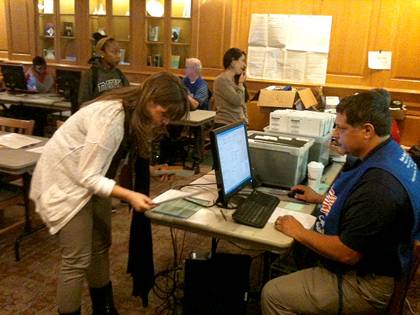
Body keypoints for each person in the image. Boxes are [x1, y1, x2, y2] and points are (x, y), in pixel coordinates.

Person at [29, 72, 190, 315]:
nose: (165, 122)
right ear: (150, 99)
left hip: (88, 178)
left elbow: (113, 157)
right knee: (76, 260)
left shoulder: (134, 112)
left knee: (100, 245)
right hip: (65, 182)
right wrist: (129, 195)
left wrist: (151, 171)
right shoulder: (112, 117)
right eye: (164, 114)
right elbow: (88, 176)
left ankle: (104, 308)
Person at [261, 89, 420, 315]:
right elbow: (361, 208)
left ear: (367, 131)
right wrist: (320, 198)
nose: (335, 134)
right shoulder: (389, 153)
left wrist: (298, 231)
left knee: (273, 294)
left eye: (342, 128)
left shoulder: (380, 186)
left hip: (365, 284)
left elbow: (347, 252)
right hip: (375, 263)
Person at [78, 36, 129, 105]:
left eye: (119, 52)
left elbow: (128, 96)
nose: (118, 56)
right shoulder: (91, 75)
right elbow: (82, 104)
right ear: (102, 53)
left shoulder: (119, 73)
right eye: (113, 52)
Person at [213, 48, 247, 129]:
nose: (244, 65)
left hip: (238, 123)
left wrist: (246, 120)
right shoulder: (221, 80)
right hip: (225, 124)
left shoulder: (236, 79)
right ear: (233, 61)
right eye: (242, 61)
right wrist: (241, 84)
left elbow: (243, 103)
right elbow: (237, 101)